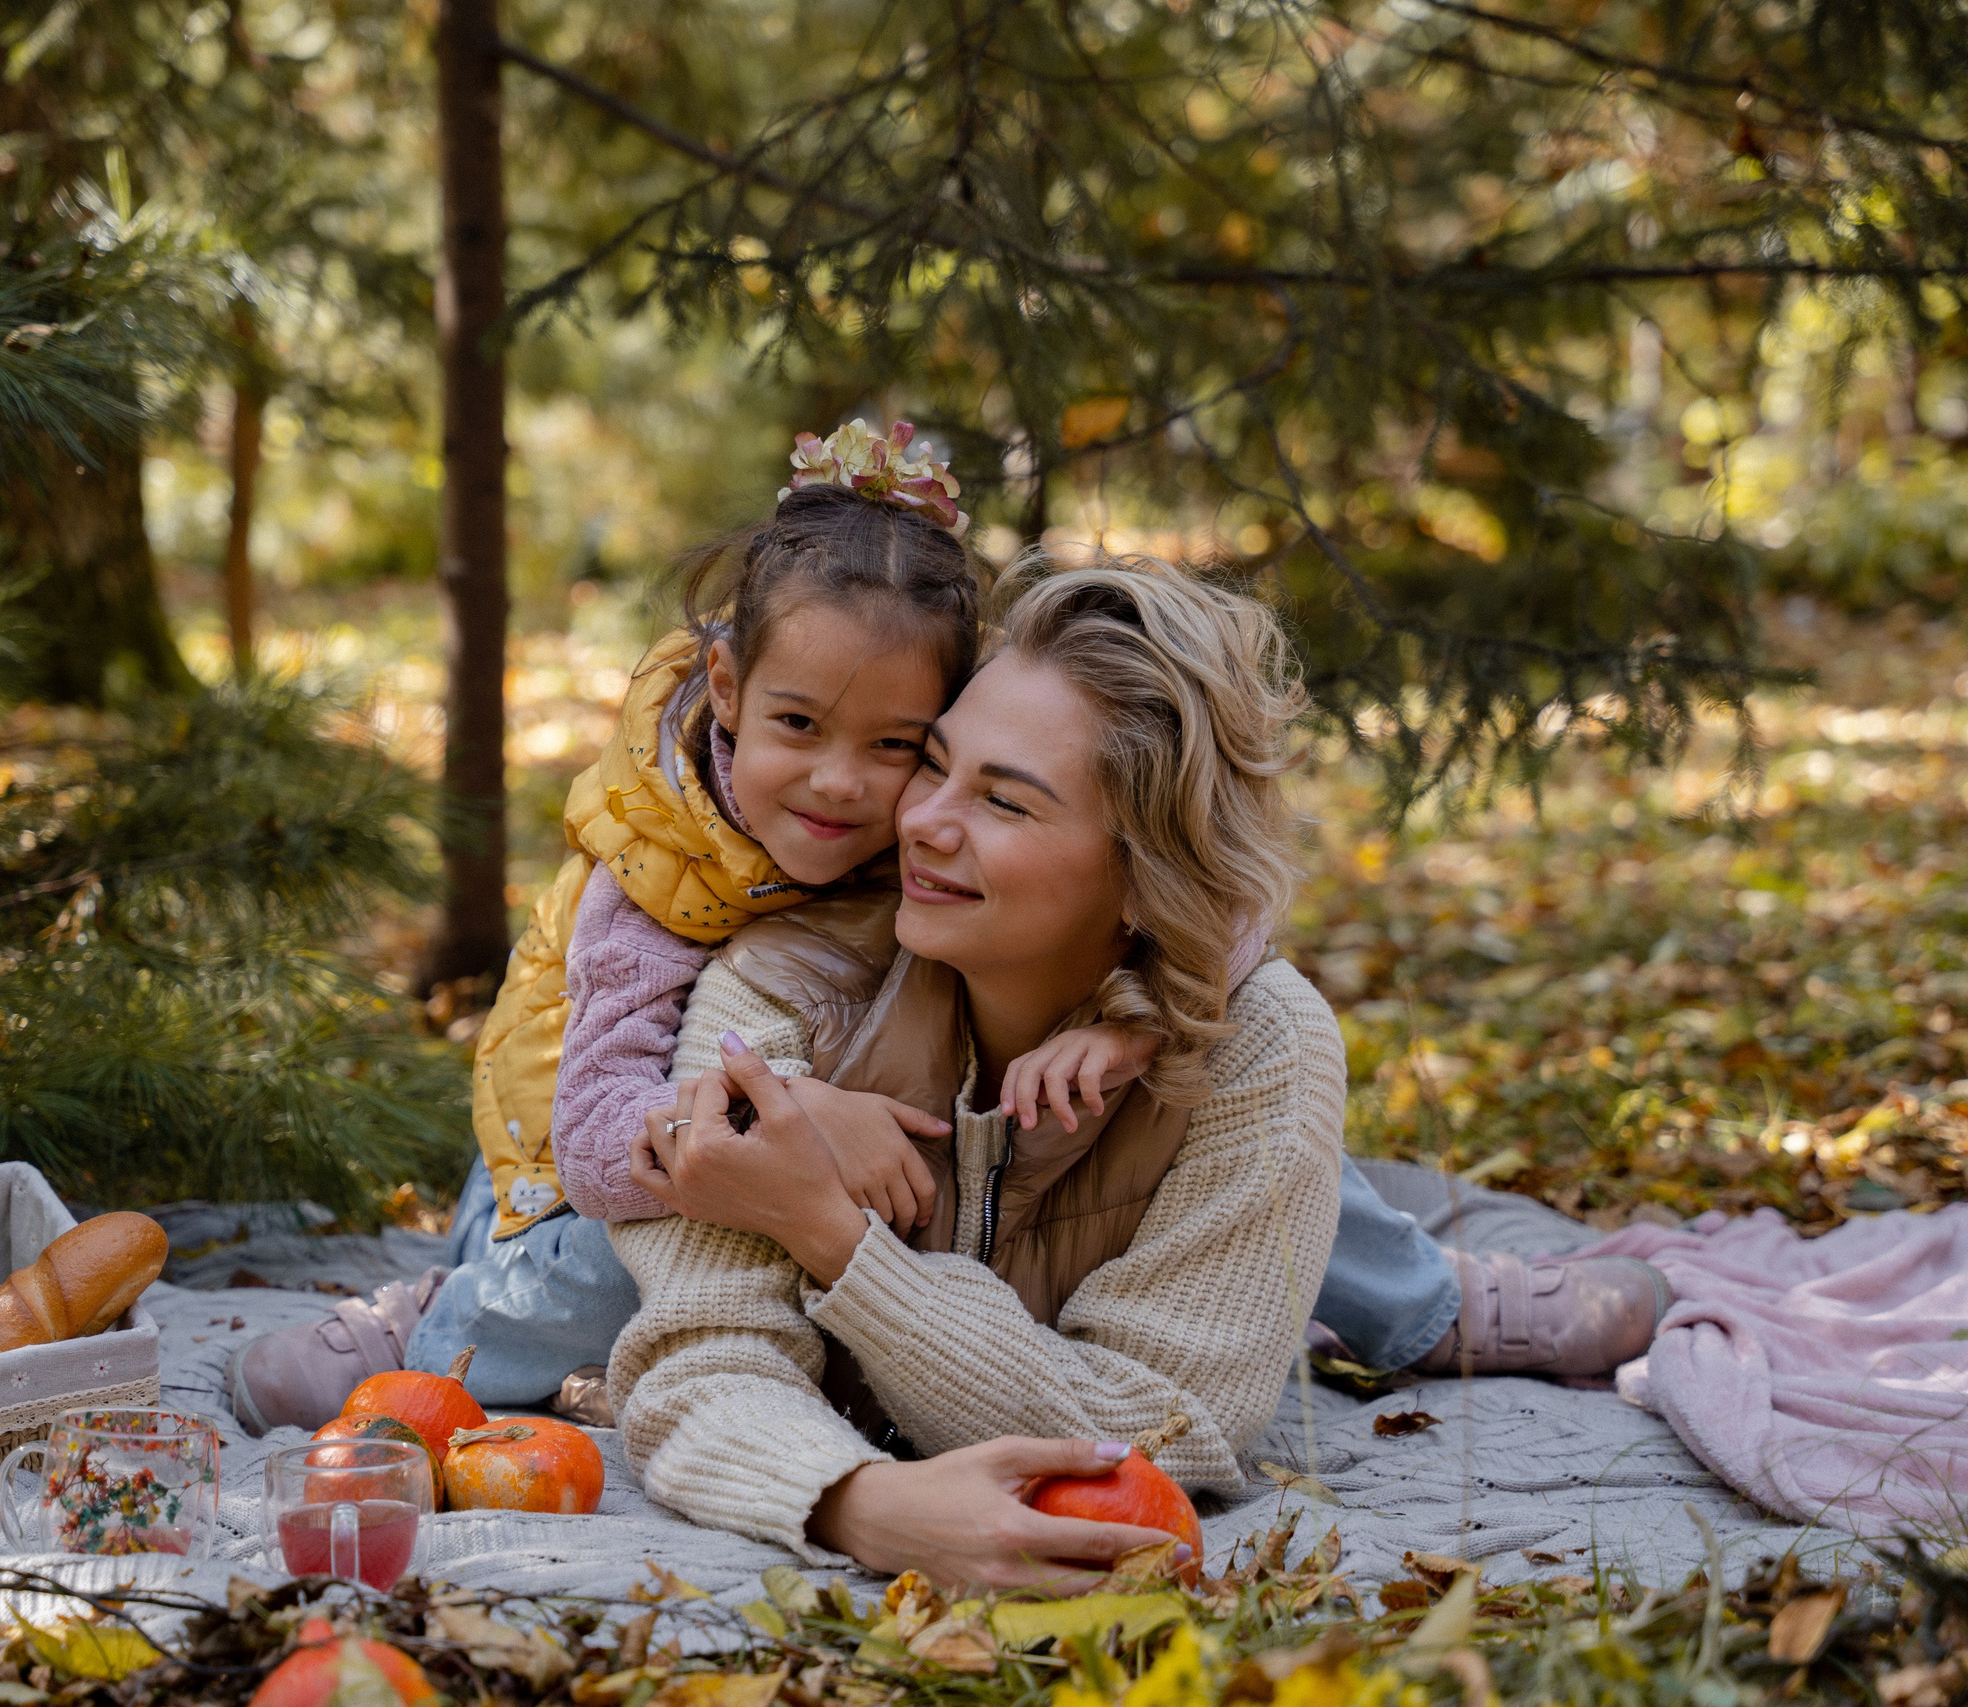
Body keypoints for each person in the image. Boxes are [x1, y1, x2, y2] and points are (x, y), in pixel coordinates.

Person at [231, 422, 1155, 1430]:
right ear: (726, 686)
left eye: (894, 743)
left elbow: (1208, 918)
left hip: (787, 1146)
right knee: (626, 1262)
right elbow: (593, 1148)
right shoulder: (649, 875)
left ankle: (1336, 1312)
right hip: (573, 1176)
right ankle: (438, 1327)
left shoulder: (925, 811)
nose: (840, 783)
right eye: (797, 725)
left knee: (1222, 1116)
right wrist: (798, 1120)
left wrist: (1130, 1018)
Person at [605, 560, 1349, 1581]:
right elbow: (700, 1356)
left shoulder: (1259, 1046)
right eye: (934, 763)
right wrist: (858, 1504)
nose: (919, 822)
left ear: (1142, 874)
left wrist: (829, 1233)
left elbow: (1170, 1425)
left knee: (1376, 1268)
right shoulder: (779, 994)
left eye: (1003, 802)